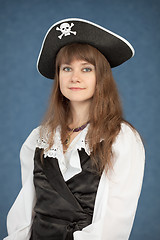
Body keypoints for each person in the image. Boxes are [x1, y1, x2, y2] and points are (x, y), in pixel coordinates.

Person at [4, 18, 145, 240]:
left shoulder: (120, 138)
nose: (75, 78)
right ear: (58, 76)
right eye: (67, 68)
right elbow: (24, 213)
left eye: (86, 69)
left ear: (101, 77)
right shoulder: (39, 138)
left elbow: (113, 223)